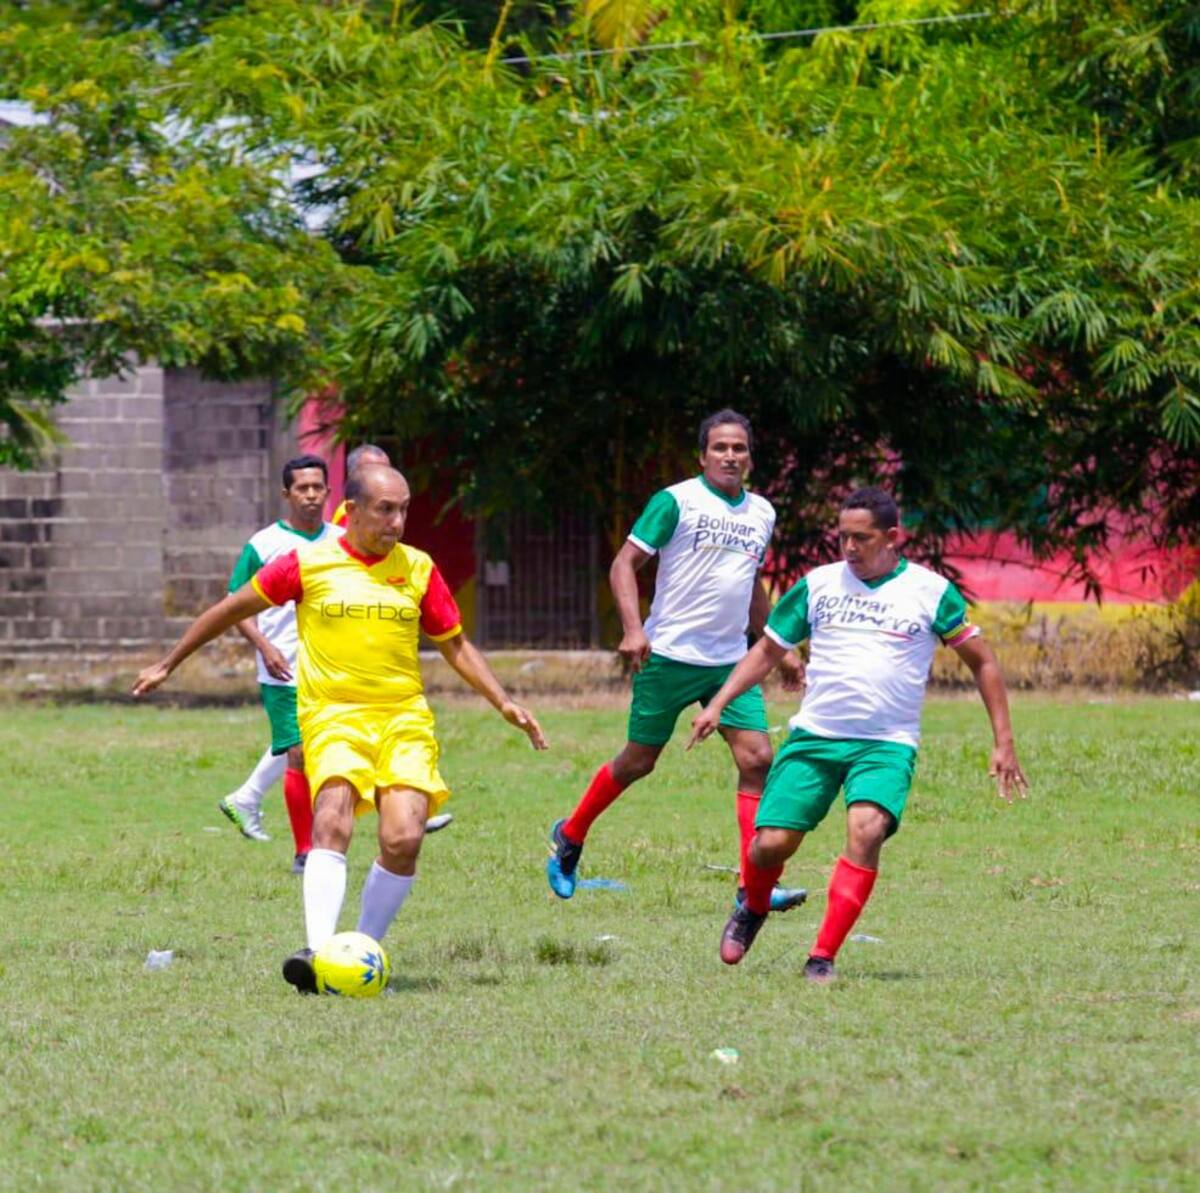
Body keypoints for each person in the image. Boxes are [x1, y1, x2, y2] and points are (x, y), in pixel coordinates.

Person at [134, 466, 547, 992]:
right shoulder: (305, 564)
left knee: (403, 838)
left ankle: (361, 952)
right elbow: (230, 609)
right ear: (351, 511)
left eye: (403, 509)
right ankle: (318, 952)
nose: (396, 522)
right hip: (332, 714)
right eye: (384, 509)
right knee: (331, 819)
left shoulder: (418, 569)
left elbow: (454, 644)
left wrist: (504, 702)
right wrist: (169, 664)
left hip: (402, 718)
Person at [688, 486, 1028, 982]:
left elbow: (983, 662)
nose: (849, 548)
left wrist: (1004, 741)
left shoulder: (930, 592)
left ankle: (822, 957)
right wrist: (718, 703)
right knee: (769, 846)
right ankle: (753, 903)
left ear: (893, 537)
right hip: (815, 738)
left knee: (866, 831)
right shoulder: (819, 585)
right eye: (843, 536)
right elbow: (765, 650)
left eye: (861, 538)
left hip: (885, 744)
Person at [545, 409, 807, 910]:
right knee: (639, 761)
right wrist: (632, 628)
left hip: (731, 660)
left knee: (758, 758)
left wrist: (783, 650)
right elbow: (625, 563)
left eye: (739, 448)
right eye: (720, 448)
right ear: (702, 456)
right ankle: (570, 835)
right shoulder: (676, 501)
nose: (730, 456)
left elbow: (751, 584)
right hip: (667, 654)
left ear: (750, 457)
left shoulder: (762, 513)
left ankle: (755, 886)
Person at [218, 454, 337, 870]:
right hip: (282, 668)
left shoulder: (341, 541)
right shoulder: (264, 544)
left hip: (333, 667)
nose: (310, 495)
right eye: (301, 488)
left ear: (327, 490)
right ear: (286, 494)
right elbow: (235, 604)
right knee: (298, 753)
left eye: (317, 487)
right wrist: (265, 646)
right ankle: (305, 852)